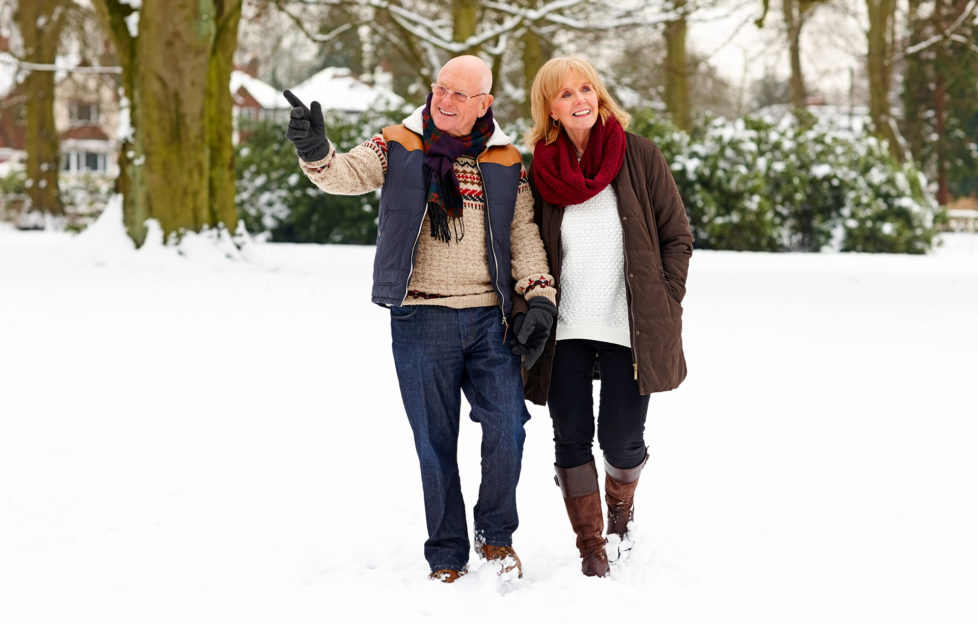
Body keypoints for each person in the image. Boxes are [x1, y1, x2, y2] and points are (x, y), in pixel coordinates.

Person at [283, 55, 558, 583]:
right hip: (420, 316)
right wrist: (315, 149)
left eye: (459, 94)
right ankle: (447, 555)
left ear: (485, 104)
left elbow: (524, 235)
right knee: (434, 441)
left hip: (488, 320)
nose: (444, 100)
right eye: (439, 88)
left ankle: (496, 539)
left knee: (509, 426)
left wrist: (539, 296)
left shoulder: (504, 160)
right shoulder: (399, 143)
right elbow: (346, 175)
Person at [521, 56, 693, 577]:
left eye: (587, 88)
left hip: (629, 325)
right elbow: (526, 243)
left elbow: (676, 235)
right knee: (569, 437)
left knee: (621, 439)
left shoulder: (638, 155)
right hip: (566, 327)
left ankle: (621, 514)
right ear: (549, 108)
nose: (580, 100)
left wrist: (666, 297)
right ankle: (591, 547)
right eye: (566, 93)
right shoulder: (540, 168)